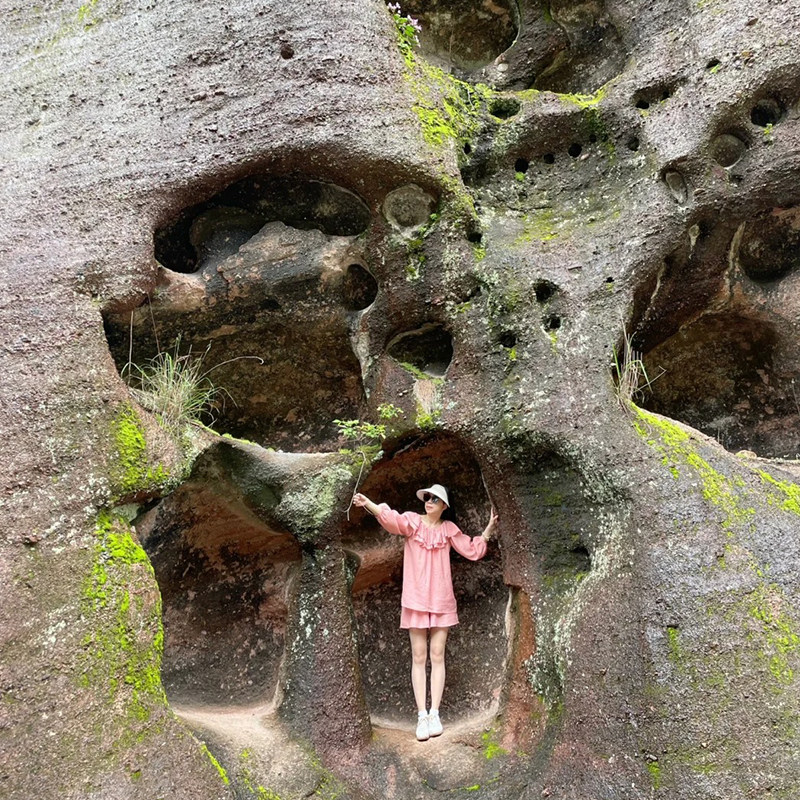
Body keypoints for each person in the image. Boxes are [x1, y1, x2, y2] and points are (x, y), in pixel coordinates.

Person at [352, 483, 498, 741]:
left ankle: (435, 714)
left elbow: (471, 550)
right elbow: (392, 520)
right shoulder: (412, 522)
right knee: (419, 656)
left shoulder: (449, 529)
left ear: (444, 506)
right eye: (427, 497)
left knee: (437, 655)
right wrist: (368, 504)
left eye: (434, 499)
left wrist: (487, 531)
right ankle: (421, 716)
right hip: (416, 600)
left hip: (441, 600)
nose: (429, 501)